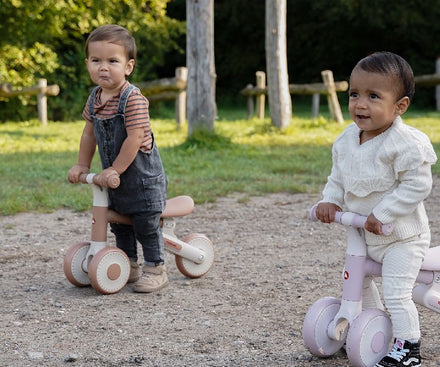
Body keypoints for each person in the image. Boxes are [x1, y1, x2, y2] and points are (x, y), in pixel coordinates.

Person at [315, 51, 437, 367]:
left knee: (397, 293)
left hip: (401, 237)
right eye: (354, 94)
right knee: (358, 281)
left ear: (400, 107)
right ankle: (362, 328)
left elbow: (417, 186)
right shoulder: (345, 141)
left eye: (373, 96)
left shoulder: (406, 143)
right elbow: (338, 178)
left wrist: (382, 213)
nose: (360, 104)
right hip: (365, 233)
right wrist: (329, 201)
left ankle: (408, 348)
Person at [68, 24, 168, 293]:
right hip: (114, 178)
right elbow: (88, 135)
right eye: (96, 60)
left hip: (142, 179)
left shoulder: (132, 99)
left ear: (128, 66)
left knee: (145, 224)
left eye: (112, 61)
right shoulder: (95, 98)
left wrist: (114, 168)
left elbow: (134, 138)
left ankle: (155, 267)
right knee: (118, 222)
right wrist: (82, 165)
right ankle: (129, 264)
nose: (103, 67)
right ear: (87, 63)